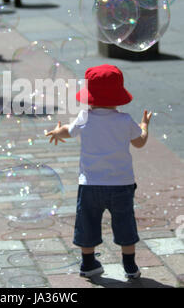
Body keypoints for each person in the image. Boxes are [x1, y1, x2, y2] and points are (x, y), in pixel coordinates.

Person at [46, 64, 152, 279]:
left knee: (87, 222)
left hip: (90, 184)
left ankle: (88, 264)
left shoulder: (85, 117)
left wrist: (58, 132)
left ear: (89, 96)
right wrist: (144, 126)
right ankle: (130, 266)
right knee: (124, 223)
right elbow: (139, 143)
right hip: (121, 185)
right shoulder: (124, 120)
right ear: (118, 96)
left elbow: (69, 131)